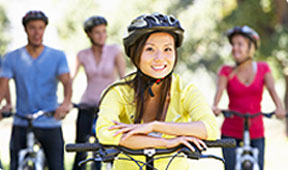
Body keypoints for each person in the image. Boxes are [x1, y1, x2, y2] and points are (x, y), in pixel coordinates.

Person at [95, 12, 219, 170]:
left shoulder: (185, 90)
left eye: (167, 49)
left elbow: (210, 129)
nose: (160, 58)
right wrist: (168, 143)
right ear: (135, 53)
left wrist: (154, 126)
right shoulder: (118, 92)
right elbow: (105, 132)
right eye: (150, 49)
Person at [0, 10, 72, 170]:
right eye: (32, 28)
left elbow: (67, 83)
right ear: (25, 29)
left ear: (45, 29)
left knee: (57, 166)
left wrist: (65, 103)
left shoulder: (57, 56)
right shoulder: (11, 57)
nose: (37, 32)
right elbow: (2, 86)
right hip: (21, 120)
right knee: (14, 165)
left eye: (40, 28)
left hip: (49, 120)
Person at [212, 25, 286, 170]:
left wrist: (280, 108)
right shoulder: (226, 71)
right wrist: (215, 106)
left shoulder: (263, 68)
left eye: (240, 44)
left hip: (256, 130)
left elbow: (272, 90)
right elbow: (219, 91)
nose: (235, 48)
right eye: (233, 44)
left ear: (251, 47)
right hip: (231, 130)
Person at [71, 15, 126, 170]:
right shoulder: (82, 54)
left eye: (104, 31)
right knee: (80, 148)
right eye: (97, 32)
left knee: (105, 148)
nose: (102, 35)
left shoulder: (115, 51)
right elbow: (70, 79)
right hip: (86, 104)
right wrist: (67, 100)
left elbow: (123, 79)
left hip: (108, 108)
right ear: (89, 34)